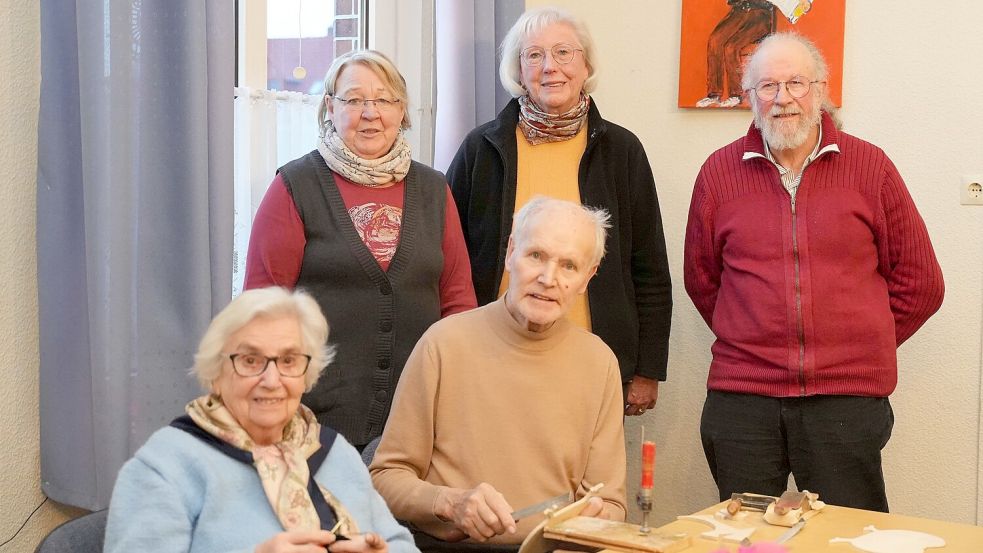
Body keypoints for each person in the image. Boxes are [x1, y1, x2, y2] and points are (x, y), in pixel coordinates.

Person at [684, 32, 944, 512]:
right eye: (767, 86)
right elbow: (703, 282)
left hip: (844, 400)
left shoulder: (871, 167)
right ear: (749, 98)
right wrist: (755, 337)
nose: (783, 98)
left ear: (821, 89)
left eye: (797, 83)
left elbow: (922, 284)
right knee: (746, 537)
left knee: (847, 538)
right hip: (743, 400)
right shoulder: (718, 174)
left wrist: (863, 341)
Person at [446, 6, 671, 418]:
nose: (550, 67)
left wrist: (646, 369)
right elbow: (448, 258)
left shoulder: (621, 151)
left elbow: (649, 266)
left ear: (586, 64)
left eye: (564, 53)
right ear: (519, 69)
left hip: (593, 358)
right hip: (491, 356)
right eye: (534, 55)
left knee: (585, 479)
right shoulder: (482, 149)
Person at [245, 50, 477, 449]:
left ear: (401, 111)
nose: (371, 113)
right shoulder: (294, 187)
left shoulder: (435, 190)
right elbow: (262, 310)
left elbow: (458, 303)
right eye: (354, 100)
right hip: (312, 420)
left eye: (384, 100)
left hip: (417, 417)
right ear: (331, 108)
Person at [370, 197, 627, 549]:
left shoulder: (600, 363)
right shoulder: (444, 343)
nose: (548, 278)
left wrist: (599, 521)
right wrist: (449, 503)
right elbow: (384, 478)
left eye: (569, 266)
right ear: (510, 253)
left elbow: (611, 503)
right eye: (535, 255)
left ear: (587, 278)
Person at [104, 287, 418, 552]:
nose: (271, 379)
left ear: (306, 374)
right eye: (250, 360)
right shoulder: (166, 465)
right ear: (215, 373)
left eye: (288, 360)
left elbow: (400, 543)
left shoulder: (336, 453)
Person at [695, 0, 777, 108]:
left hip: (759, 15)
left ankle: (735, 95)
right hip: (738, 12)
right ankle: (714, 94)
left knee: (731, 47)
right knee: (714, 41)